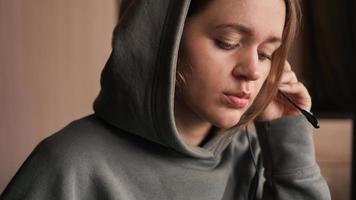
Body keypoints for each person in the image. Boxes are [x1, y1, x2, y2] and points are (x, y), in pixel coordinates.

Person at [1, 0, 331, 199]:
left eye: (266, 53)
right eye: (228, 42)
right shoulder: (67, 165)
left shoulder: (256, 160)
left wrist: (290, 145)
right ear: (164, 39)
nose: (252, 71)